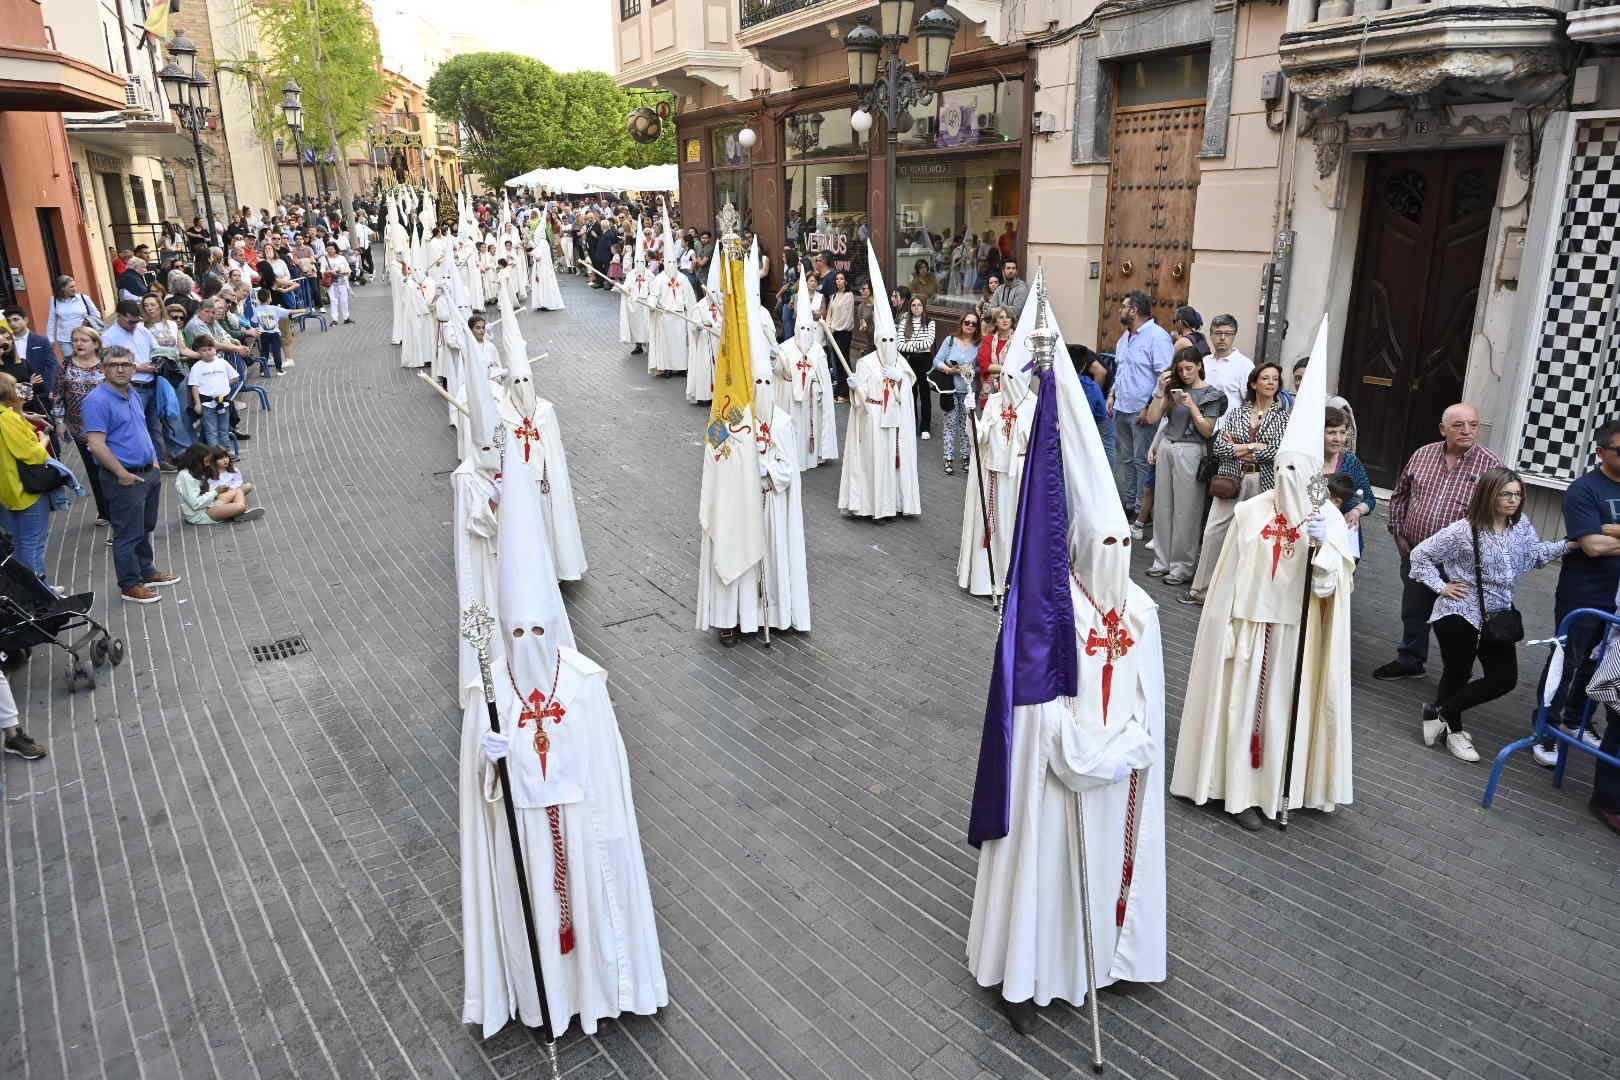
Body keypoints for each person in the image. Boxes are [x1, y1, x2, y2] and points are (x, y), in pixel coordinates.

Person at [967, 288, 1166, 1032]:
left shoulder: (1141, 613)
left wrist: (1126, 745)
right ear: (1081, 543)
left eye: (1125, 544)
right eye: (1102, 542)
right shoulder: (1046, 614)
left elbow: (1146, 696)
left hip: (1114, 764)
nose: (1114, 556)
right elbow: (1030, 704)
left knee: (1097, 862)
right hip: (1055, 762)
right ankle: (1027, 969)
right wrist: (1066, 746)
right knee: (1044, 864)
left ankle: (1101, 955)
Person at [1170, 321, 1356, 829]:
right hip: (1250, 635)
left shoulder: (1327, 517)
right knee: (1248, 710)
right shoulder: (1253, 514)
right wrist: (1232, 628)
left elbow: (1334, 586)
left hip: (1302, 637)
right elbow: (1228, 584)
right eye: (1289, 471)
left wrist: (1323, 550)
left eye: (1307, 473)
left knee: (1287, 712)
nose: (1298, 483)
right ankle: (1239, 789)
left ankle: (1286, 785)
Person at [1408, 468, 1571, 762]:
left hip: (1498, 616)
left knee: (1504, 678)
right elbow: (1420, 555)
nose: (1513, 500)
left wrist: (1570, 545)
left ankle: (1441, 712)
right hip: (1459, 611)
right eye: (1505, 494)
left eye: (1517, 494)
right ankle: (1453, 732)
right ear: (1488, 495)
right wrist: (1442, 586)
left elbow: (1536, 555)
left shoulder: (1520, 527)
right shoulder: (1463, 530)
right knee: (1458, 672)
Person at [1375, 404, 1503, 680]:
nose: (1467, 431)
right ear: (1443, 429)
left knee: (1456, 619)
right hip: (1417, 553)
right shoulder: (1423, 454)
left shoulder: (1491, 465)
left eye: (1473, 424)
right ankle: (1410, 659)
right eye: (1458, 425)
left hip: (1460, 562)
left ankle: (1458, 673)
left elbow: (1501, 515)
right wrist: (1398, 534)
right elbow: (1400, 495)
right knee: (1414, 610)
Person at [1531, 418, 1620, 765]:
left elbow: (1603, 539)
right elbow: (1593, 546)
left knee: (1604, 663)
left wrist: (1614, 530)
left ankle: (1577, 720)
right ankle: (1544, 729)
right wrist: (1604, 535)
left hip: (1617, 597)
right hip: (1583, 592)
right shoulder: (1585, 489)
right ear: (1601, 452)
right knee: (1566, 660)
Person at [1183, 362, 1288, 605]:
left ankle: (1240, 595)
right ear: (1254, 383)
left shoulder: (1283, 417)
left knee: (1251, 538)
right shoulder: (1237, 413)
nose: (1271, 382)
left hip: (1262, 483)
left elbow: (1277, 452)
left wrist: (1239, 448)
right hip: (1231, 479)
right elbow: (1219, 447)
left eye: (1275, 379)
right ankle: (1200, 590)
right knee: (1213, 533)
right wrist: (1252, 447)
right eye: (1265, 378)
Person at [82, 346, 180, 604]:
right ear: (103, 369)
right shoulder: (97, 400)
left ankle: (145, 571)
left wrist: (155, 463)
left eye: (126, 364)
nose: (121, 369)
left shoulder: (132, 392)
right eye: (114, 364)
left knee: (145, 527)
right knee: (127, 534)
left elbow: (142, 427)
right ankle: (129, 584)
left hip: (148, 473)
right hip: (124, 479)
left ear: (134, 367)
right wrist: (121, 473)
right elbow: (95, 443)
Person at [839, 243, 920, 522]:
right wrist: (854, 388)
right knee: (872, 463)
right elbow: (858, 399)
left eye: (891, 340)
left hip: (894, 421)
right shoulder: (865, 363)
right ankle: (870, 505)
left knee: (891, 462)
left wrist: (901, 383)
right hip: (872, 418)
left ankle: (892, 503)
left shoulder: (901, 364)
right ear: (876, 341)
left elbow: (909, 392)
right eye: (882, 339)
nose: (887, 344)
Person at [1143, 347, 1226, 585]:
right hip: (1168, 444)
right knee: (1163, 505)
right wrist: (1161, 390)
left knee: (1187, 509)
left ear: (1200, 365)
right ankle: (1162, 560)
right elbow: (1152, 418)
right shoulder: (1172, 390)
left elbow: (1207, 430)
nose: (1185, 373)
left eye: (1189, 368)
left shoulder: (1212, 394)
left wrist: (1191, 406)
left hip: (1192, 448)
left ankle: (1182, 566)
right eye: (1180, 369)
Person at [1110, 291, 1174, 522]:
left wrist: (1149, 407)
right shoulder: (1125, 338)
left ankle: (1141, 509)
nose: (1121, 310)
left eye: (1124, 306)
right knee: (1124, 459)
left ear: (1134, 310)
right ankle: (1127, 503)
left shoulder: (1157, 337)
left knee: (1141, 461)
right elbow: (1121, 371)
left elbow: (1165, 375)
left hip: (1142, 410)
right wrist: (1111, 395)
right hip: (1122, 407)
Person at [0, 372, 54, 581]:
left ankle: (32, 590)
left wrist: (19, 410)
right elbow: (32, 454)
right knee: (32, 542)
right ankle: (41, 592)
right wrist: (44, 440)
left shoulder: (9, 415)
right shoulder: (6, 418)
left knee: (18, 541)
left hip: (6, 492)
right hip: (23, 490)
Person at [57, 326, 109, 525]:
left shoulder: (105, 363)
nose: (78, 344)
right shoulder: (66, 365)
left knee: (112, 466)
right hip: (80, 428)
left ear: (95, 343)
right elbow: (57, 395)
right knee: (94, 470)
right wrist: (59, 421)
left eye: (83, 340)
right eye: (75, 340)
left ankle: (119, 507)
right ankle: (104, 511)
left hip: (108, 426)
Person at [1323, 407, 1374, 559]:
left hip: (1343, 540)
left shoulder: (1351, 462)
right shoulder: (1307, 463)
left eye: (1342, 432)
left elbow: (1369, 499)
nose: (1338, 439)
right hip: (1311, 535)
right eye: (1331, 432)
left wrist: (1356, 512)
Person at [933, 311, 979, 476]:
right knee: (950, 424)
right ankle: (948, 458)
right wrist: (949, 370)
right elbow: (936, 360)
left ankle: (966, 456)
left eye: (973, 324)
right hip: (951, 389)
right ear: (961, 323)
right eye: (967, 322)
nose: (970, 326)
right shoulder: (950, 340)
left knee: (966, 425)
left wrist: (971, 370)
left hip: (969, 391)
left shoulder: (978, 344)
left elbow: (982, 366)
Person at [173, 443, 261, 524]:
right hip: (200, 513)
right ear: (197, 461)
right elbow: (195, 504)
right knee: (241, 507)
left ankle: (237, 514)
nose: (208, 465)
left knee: (237, 491)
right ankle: (238, 512)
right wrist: (215, 492)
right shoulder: (186, 477)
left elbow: (204, 489)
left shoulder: (196, 471)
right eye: (206, 462)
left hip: (209, 504)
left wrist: (218, 491)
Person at [185, 336, 238, 452]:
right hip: (207, 404)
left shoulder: (222, 363)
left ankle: (226, 451)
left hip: (223, 402)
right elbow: (194, 386)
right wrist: (197, 403)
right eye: (203, 350)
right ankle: (215, 453)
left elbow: (235, 377)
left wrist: (224, 383)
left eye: (210, 349)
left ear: (215, 349)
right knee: (211, 430)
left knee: (224, 428)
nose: (208, 352)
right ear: (198, 352)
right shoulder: (197, 367)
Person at [897, 296, 936, 440]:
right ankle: (911, 423)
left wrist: (911, 344)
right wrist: (915, 346)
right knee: (910, 393)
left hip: (925, 361)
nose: (916, 308)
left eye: (919, 305)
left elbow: (929, 343)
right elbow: (899, 344)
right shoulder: (904, 322)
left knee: (925, 394)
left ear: (923, 307)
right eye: (913, 305)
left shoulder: (930, 322)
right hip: (909, 361)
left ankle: (925, 426)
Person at [6, 307, 58, 412]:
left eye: (16, 319)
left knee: (45, 421)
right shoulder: (7, 344)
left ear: (25, 320)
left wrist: (51, 388)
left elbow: (52, 366)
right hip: (17, 391)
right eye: (9, 321)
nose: (12, 324)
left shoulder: (41, 341)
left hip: (40, 390)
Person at [47, 275, 103, 362]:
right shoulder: (54, 300)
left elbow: (96, 314)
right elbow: (52, 320)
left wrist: (87, 320)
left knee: (87, 360)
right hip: (65, 339)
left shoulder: (83, 298)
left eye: (75, 286)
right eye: (71, 287)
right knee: (71, 362)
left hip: (84, 337)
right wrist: (50, 339)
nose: (75, 289)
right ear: (62, 288)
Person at [976, 305, 1016, 409]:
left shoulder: (1018, 341)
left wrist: (996, 368)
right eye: (1001, 317)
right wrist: (1006, 369)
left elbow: (1019, 366)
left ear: (1012, 321)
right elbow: (984, 364)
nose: (1004, 320)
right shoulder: (988, 339)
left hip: (1012, 390)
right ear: (995, 322)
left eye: (1008, 317)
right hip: (990, 390)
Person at [825, 271, 856, 401]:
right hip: (833, 333)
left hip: (843, 333)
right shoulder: (833, 296)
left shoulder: (849, 296)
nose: (839, 281)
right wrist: (828, 326)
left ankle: (845, 392)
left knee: (844, 361)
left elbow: (846, 317)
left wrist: (834, 328)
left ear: (846, 281)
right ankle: (838, 390)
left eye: (841, 279)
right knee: (836, 362)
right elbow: (829, 313)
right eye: (837, 279)